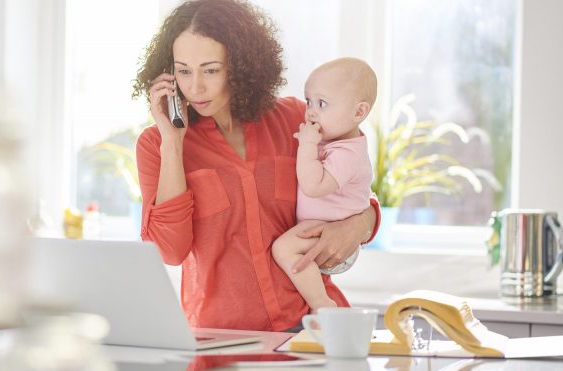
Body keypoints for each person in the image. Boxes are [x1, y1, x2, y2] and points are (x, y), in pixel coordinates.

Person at [132, 0, 381, 332]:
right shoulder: (157, 146)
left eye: (211, 69)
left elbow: (352, 181)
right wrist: (173, 144)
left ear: (240, 64)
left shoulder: (295, 120)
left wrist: (361, 224)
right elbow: (169, 250)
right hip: (224, 338)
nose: (196, 87)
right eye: (183, 70)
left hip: (312, 326)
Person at [272, 58, 377, 314]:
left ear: (358, 113)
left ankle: (321, 304)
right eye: (309, 101)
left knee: (284, 248)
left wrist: (307, 146)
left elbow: (313, 186)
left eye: (322, 103)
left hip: (330, 233)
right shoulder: (335, 141)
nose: (311, 112)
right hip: (322, 228)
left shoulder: (347, 153)